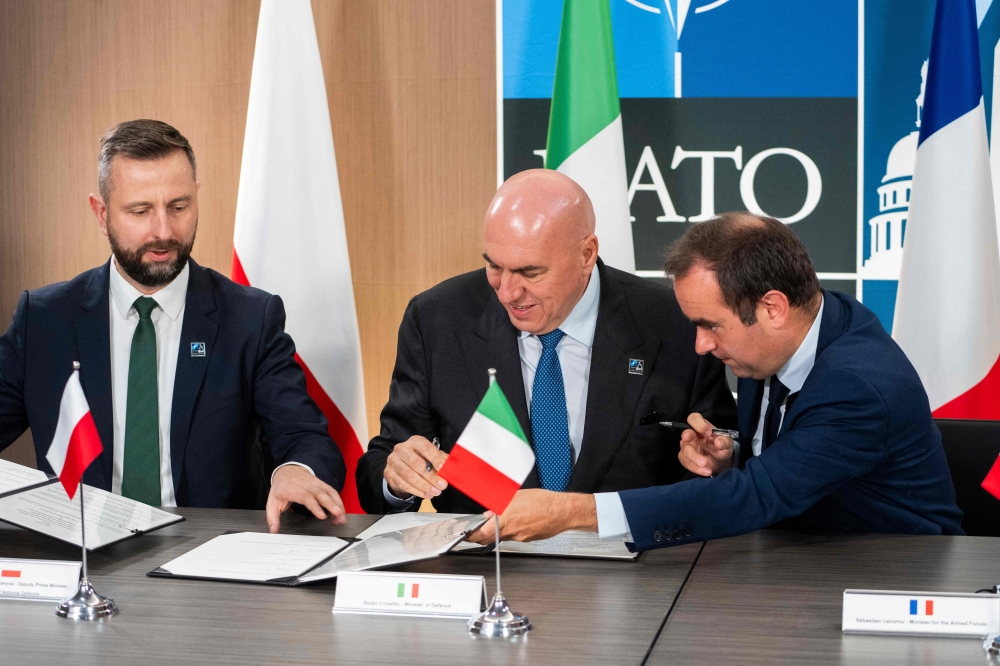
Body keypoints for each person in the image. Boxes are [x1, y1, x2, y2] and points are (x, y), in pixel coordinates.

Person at [468, 212, 964, 547]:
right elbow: (784, 469)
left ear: (772, 308)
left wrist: (571, 513)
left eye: (711, 326)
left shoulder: (858, 386)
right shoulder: (788, 335)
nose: (701, 346)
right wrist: (731, 458)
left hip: (898, 575)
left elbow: (756, 497)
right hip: (801, 552)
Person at [0, 119, 347, 533]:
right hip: (82, 563)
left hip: (208, 564)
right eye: (140, 211)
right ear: (101, 212)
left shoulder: (250, 319)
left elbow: (306, 439)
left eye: (179, 207)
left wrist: (293, 470)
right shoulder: (45, 319)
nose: (163, 231)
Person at [355, 169, 737, 514]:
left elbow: (725, 460)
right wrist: (397, 479)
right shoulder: (438, 320)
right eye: (494, 266)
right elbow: (381, 468)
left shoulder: (673, 322)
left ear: (586, 254)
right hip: (488, 567)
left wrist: (718, 460)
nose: (507, 292)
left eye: (530, 272)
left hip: (635, 572)